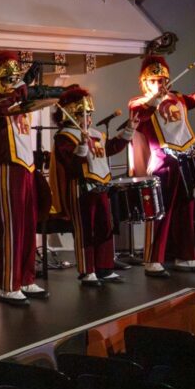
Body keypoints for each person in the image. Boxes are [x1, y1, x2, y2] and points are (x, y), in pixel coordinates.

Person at [128, 55, 195, 276]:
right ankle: (152, 260)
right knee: (161, 212)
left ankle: (186, 256)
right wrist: (154, 101)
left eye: (161, 80)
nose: (158, 84)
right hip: (162, 163)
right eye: (153, 81)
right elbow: (139, 116)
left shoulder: (177, 98)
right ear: (145, 82)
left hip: (183, 159)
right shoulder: (138, 102)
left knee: (185, 209)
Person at [0, 51, 47, 306]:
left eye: (14, 78)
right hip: (8, 167)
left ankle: (26, 278)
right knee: (13, 227)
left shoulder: (13, 99)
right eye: (7, 78)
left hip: (26, 167)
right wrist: (19, 90)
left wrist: (25, 85)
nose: (11, 83)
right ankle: (9, 285)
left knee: (28, 226)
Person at [51, 86, 138, 286]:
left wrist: (129, 130)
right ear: (72, 114)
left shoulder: (95, 133)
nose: (88, 118)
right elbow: (71, 164)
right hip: (81, 187)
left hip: (101, 185)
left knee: (104, 228)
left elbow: (109, 148)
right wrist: (82, 145)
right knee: (85, 231)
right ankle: (87, 270)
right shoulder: (64, 136)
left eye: (89, 114)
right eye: (83, 114)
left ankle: (104, 268)